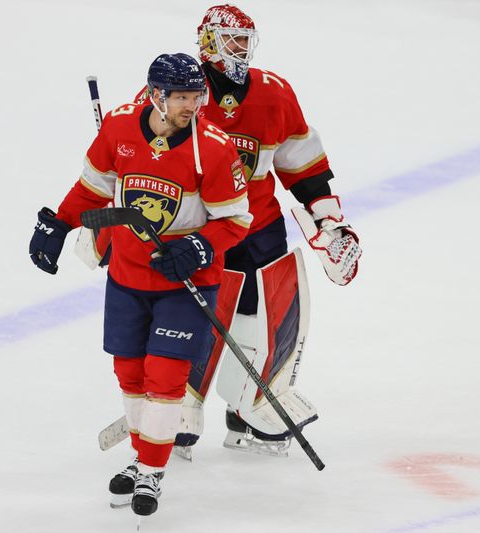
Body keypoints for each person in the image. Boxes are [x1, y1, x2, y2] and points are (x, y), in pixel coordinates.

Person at [125, 4, 362, 457]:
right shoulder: (176, 92)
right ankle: (180, 411)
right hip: (201, 228)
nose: (240, 50)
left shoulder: (273, 93)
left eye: (244, 41)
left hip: (258, 226)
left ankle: (251, 407)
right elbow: (140, 161)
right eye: (232, 40)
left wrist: (327, 219)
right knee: (196, 318)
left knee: (266, 315)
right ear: (209, 41)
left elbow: (301, 163)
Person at [28, 53, 252, 516]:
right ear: (157, 95)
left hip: (184, 281)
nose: (193, 105)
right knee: (130, 374)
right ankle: (141, 455)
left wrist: (198, 247)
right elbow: (93, 188)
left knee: (166, 377)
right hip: (128, 277)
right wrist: (59, 223)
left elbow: (235, 220)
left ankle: (151, 469)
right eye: (183, 97)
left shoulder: (212, 147)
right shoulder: (119, 127)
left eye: (197, 96)